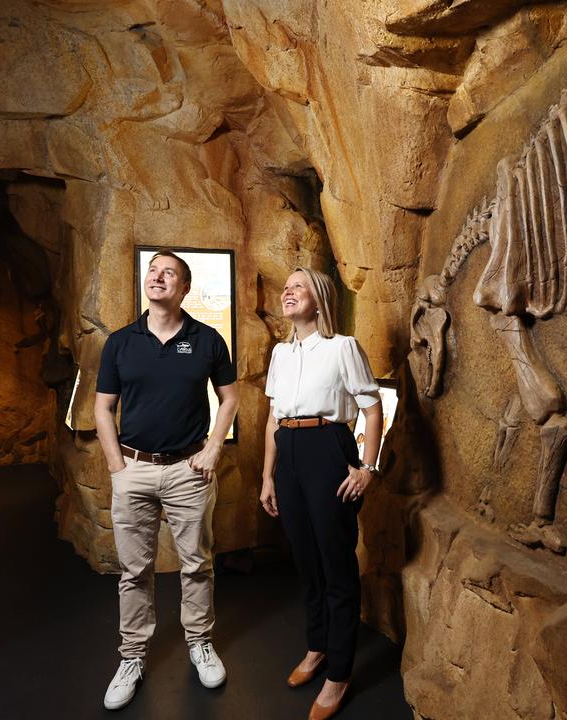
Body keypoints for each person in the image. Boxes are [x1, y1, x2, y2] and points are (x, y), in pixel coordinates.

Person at [93, 250, 239, 710]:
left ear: (184, 288)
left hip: (188, 469)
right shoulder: (120, 342)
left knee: (196, 563)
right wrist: (118, 466)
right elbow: (103, 407)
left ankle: (200, 643)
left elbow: (230, 397)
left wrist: (215, 446)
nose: (157, 277)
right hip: (133, 469)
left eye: (168, 273)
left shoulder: (208, 339)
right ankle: (132, 656)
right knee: (134, 571)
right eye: (152, 271)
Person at [260, 266, 382, 720]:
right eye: (286, 287)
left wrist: (368, 468)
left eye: (298, 287)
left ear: (320, 298)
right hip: (288, 451)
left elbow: (371, 411)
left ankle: (340, 672)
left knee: (335, 563)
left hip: (327, 446)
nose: (288, 292)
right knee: (306, 561)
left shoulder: (342, 348)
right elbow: (273, 419)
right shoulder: (280, 354)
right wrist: (267, 477)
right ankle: (317, 647)